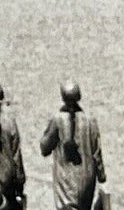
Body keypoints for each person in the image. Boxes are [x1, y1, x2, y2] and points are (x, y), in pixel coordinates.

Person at [39, 82, 106, 210]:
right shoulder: (90, 120)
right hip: (87, 180)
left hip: (66, 182)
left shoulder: (57, 120)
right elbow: (97, 153)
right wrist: (102, 177)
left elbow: (44, 148)